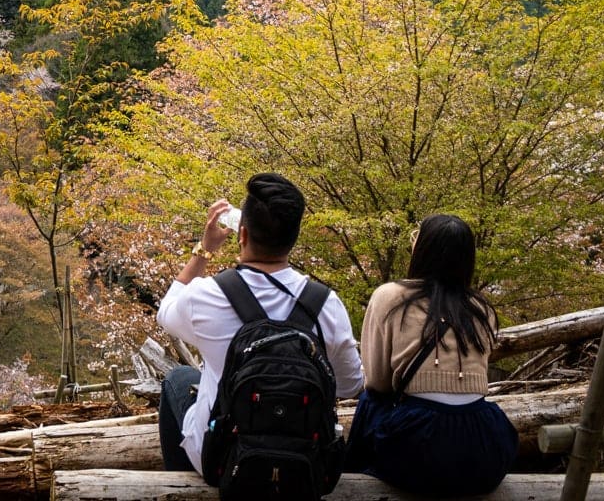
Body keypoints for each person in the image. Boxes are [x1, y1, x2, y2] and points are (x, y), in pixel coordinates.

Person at [156, 172, 365, 474]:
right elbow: (349, 384)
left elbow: (166, 313)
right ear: (293, 239)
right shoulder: (326, 304)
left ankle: (178, 482)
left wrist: (204, 250)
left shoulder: (207, 295)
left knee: (178, 378)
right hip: (305, 462)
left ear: (241, 235)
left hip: (222, 458)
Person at [344, 213, 518, 497]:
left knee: (371, 400)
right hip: (485, 445)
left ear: (423, 249)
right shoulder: (481, 308)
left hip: (419, 445)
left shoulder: (389, 296)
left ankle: (350, 479)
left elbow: (377, 382)